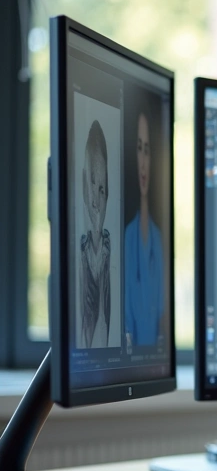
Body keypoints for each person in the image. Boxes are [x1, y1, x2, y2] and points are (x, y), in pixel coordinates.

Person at [124, 103, 165, 350]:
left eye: (147, 150)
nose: (143, 162)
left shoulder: (157, 239)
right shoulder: (127, 237)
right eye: (139, 149)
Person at [79, 119, 111, 350]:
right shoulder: (82, 251)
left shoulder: (108, 250)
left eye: (101, 189)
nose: (96, 201)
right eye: (91, 185)